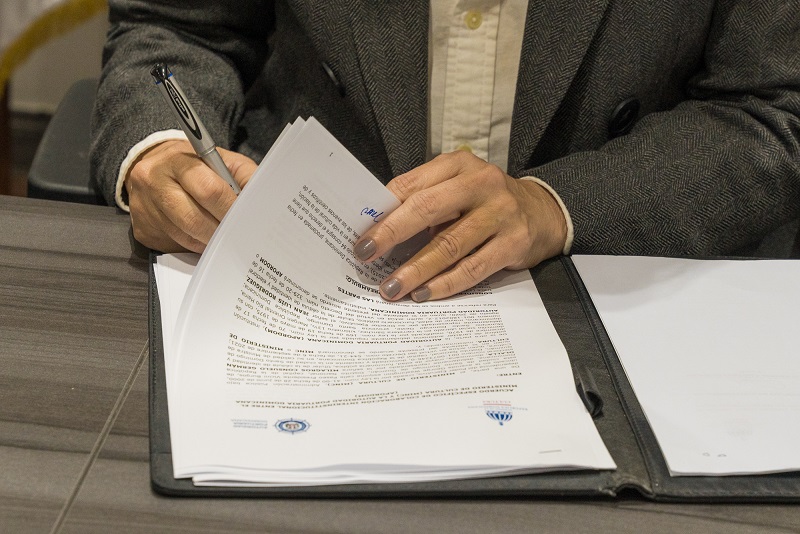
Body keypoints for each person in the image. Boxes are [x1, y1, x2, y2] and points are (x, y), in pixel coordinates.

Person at [90, 0, 800, 303]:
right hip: (296, 271)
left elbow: (771, 111)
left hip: (617, 289)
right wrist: (159, 150)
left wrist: (556, 207)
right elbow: (179, 25)